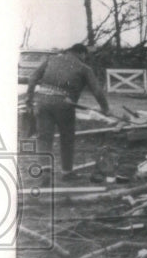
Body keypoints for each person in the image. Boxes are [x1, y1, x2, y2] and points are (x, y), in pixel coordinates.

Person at [26, 43, 110, 179]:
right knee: (67, 138)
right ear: (82, 53)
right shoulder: (84, 68)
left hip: (42, 101)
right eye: (85, 56)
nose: (85, 58)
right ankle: (66, 172)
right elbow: (97, 90)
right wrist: (105, 108)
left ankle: (46, 170)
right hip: (64, 104)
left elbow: (32, 78)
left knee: (44, 137)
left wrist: (29, 99)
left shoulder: (50, 60)